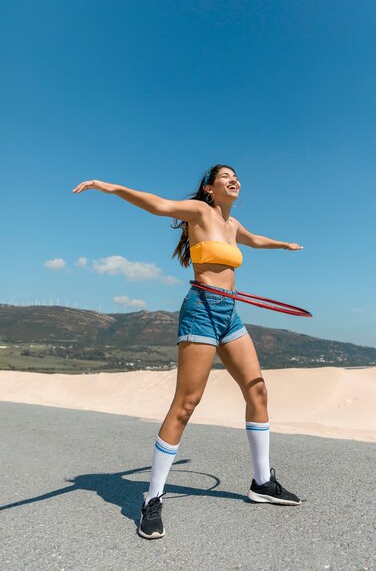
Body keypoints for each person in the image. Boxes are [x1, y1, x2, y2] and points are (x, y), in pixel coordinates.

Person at [73, 164, 304, 540]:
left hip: (230, 313)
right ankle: (151, 498)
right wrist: (110, 186)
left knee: (257, 388)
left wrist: (285, 245)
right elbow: (157, 205)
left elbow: (256, 240)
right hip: (201, 309)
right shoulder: (199, 212)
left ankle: (262, 483)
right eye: (225, 175)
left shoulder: (233, 225)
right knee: (186, 403)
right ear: (209, 188)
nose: (234, 179)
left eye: (237, 175)